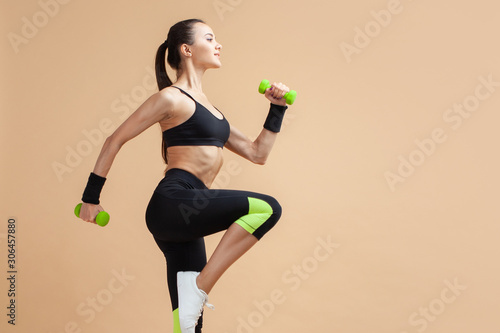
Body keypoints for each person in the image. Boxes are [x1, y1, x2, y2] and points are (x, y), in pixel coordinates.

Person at [77, 18, 291, 333]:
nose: (218, 45)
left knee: (189, 325)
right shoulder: (170, 98)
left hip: (188, 217)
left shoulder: (214, 112)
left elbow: (257, 153)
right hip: (173, 201)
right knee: (268, 207)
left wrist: (277, 109)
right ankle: (200, 286)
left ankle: (195, 292)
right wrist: (90, 198)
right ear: (187, 49)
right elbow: (115, 139)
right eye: (209, 38)